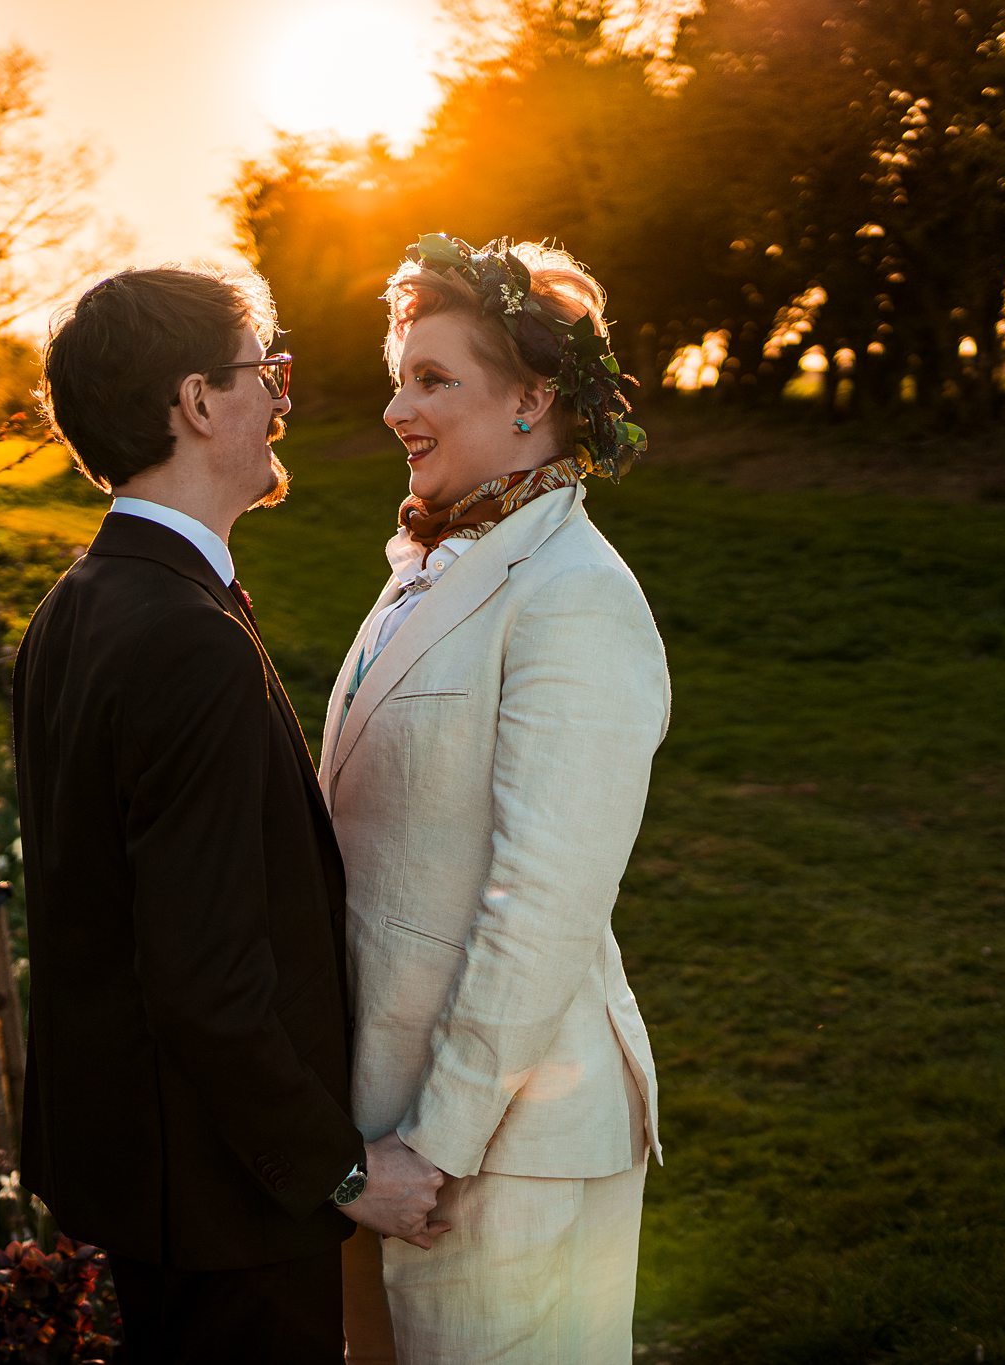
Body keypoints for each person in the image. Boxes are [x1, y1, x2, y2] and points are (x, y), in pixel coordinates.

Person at [13, 265, 445, 1363]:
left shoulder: (74, 606)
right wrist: (341, 1172)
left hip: (151, 1181)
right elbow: (204, 975)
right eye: (267, 372)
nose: (282, 399)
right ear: (199, 401)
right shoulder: (183, 638)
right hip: (224, 1203)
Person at [322, 235, 670, 1363]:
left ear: (531, 399)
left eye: (433, 379)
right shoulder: (432, 562)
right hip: (389, 1126)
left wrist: (438, 1143)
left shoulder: (574, 596)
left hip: (503, 1147)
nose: (396, 410)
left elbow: (544, 905)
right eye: (398, 379)